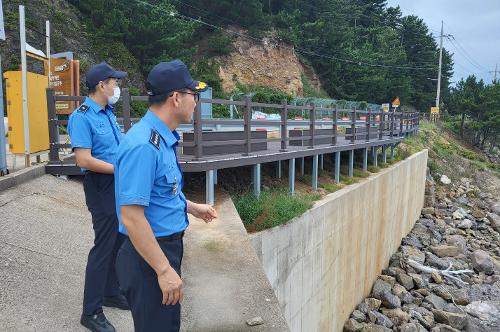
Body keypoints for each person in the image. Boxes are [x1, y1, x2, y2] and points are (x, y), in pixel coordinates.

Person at [114, 59, 218, 332]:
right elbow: (132, 217)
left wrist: (192, 207)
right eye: (193, 95)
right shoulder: (144, 146)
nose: (196, 101)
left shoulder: (163, 137)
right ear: (175, 97)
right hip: (148, 256)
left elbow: (162, 192)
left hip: (162, 249)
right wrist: (163, 270)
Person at [68, 62, 130, 332]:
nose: (117, 87)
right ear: (101, 85)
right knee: (103, 247)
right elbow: (84, 159)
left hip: (116, 185)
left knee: (119, 240)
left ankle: (111, 292)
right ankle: (90, 311)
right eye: (114, 82)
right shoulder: (82, 116)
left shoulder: (107, 113)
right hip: (101, 186)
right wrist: (120, 168)